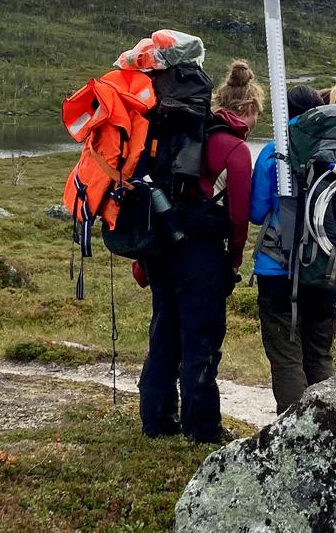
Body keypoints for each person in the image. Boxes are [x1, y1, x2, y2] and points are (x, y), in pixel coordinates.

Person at [137, 60, 259, 442]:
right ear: (249, 109)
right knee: (201, 341)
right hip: (203, 257)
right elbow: (239, 217)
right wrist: (234, 259)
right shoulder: (234, 149)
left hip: (161, 248)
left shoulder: (176, 133)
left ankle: (156, 420)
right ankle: (202, 427)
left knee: (163, 334)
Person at [248, 84, 336, 414]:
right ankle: (326, 432)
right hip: (326, 264)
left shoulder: (273, 151)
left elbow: (257, 212)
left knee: (287, 355)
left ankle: (294, 434)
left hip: (278, 267)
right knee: (320, 352)